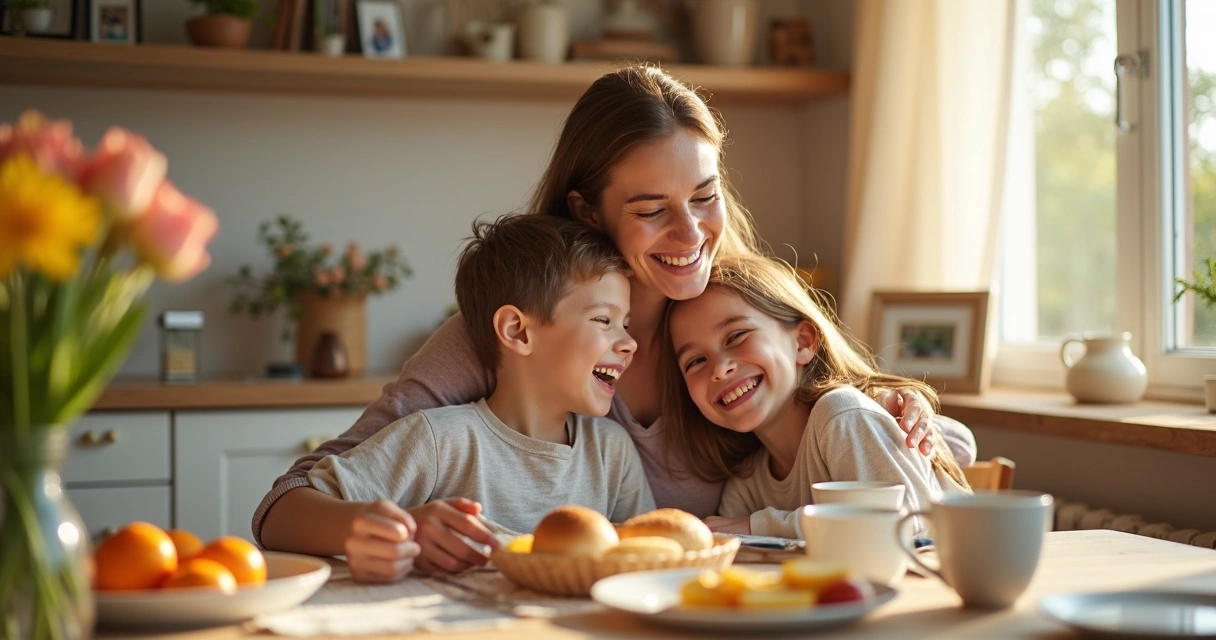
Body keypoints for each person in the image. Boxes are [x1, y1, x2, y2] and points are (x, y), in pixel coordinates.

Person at [255, 65, 976, 570]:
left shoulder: (727, 315)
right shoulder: (519, 331)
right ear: (586, 210)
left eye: (704, 195)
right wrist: (391, 527)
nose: (692, 234)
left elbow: (924, 455)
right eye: (652, 209)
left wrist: (905, 408)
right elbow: (290, 501)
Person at [297, 215, 653, 580]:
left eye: (625, 323)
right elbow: (282, 513)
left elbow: (644, 566)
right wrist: (392, 529)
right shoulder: (438, 441)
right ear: (518, 331)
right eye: (603, 321)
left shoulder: (613, 454)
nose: (629, 343)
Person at [662, 254, 970, 538]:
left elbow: (897, 527)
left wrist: (759, 526)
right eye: (695, 361)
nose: (718, 369)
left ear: (803, 342)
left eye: (736, 336)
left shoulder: (841, 413)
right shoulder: (746, 486)